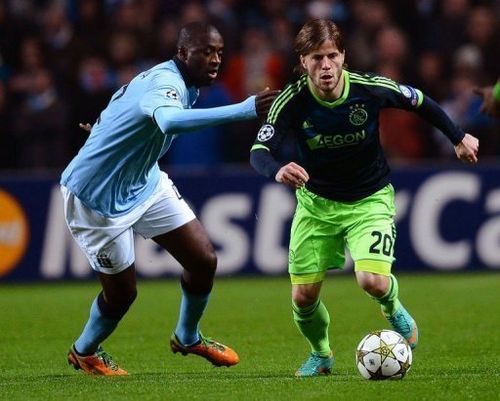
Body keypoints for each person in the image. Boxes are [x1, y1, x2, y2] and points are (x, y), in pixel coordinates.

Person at [250, 19, 479, 377]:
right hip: (316, 205)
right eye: (316, 58)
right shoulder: (291, 100)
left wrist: (457, 136)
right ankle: (321, 354)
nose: (325, 66)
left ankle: (393, 307)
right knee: (302, 297)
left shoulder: (368, 88)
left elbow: (420, 101)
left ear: (343, 56)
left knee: (371, 280)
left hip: (369, 199)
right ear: (302, 61)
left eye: (331, 56)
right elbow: (260, 150)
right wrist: (276, 170)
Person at [62, 21, 278, 376]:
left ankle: (188, 336)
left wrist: (106, 129)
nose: (214, 59)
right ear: (182, 53)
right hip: (95, 200)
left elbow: (126, 106)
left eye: (219, 52)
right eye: (205, 51)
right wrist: (246, 108)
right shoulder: (167, 82)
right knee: (122, 296)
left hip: (144, 182)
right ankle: (85, 351)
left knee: (203, 259)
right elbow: (170, 122)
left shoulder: (178, 82)